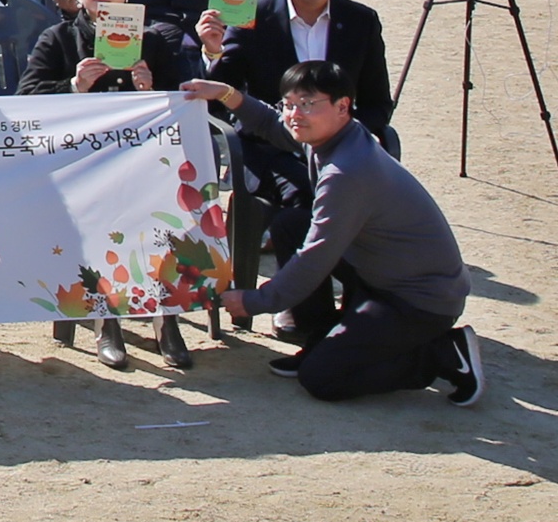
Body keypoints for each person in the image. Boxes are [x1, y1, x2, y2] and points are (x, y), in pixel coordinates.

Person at [185, 64, 482, 405]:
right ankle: (321, 336)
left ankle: (444, 354)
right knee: (291, 224)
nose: (295, 114)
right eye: (289, 103)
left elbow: (315, 257)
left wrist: (254, 301)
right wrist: (226, 93)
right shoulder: (332, 134)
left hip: (417, 300)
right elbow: (271, 124)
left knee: (323, 378)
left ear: (343, 106)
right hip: (378, 274)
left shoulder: (348, 171)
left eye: (308, 103)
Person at [193, 0, 395, 337]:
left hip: (339, 147)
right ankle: (304, 303)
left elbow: (377, 103)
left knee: (355, 195)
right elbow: (224, 87)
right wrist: (213, 50)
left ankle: (350, 301)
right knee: (308, 195)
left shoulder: (360, 21)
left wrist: (356, 134)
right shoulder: (254, 16)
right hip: (269, 147)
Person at [18, 0, 194, 368]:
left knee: (161, 198)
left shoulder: (154, 42)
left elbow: (185, 103)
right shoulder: (58, 38)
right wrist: (73, 87)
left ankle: (164, 315)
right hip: (77, 161)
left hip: (142, 159)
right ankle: (106, 318)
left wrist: (152, 92)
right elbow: (26, 96)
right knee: (102, 200)